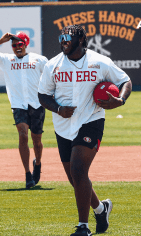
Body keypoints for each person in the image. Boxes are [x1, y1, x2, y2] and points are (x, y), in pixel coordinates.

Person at [38, 25, 132, 236]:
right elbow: (43, 95)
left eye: (67, 37)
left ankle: (83, 227)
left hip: (91, 120)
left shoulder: (100, 62)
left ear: (80, 39)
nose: (63, 40)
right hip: (63, 126)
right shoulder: (53, 65)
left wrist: (121, 100)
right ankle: (101, 209)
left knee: (79, 171)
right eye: (61, 37)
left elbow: (125, 80)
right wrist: (58, 108)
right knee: (74, 178)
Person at [0, 31, 48, 189]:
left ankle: (37, 164)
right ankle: (27, 175)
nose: (17, 48)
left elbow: (50, 77)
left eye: (20, 45)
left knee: (37, 141)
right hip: (18, 104)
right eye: (14, 45)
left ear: (26, 45)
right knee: (23, 135)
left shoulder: (39, 60)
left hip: (37, 104)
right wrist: (1, 41)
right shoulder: (6, 60)